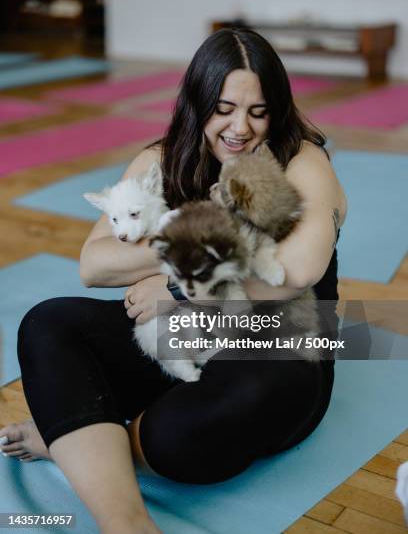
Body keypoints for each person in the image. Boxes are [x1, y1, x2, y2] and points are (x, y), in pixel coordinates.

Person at [0, 28, 347, 534]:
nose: (240, 128)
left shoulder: (305, 162)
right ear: (197, 101)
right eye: (224, 108)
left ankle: (74, 436)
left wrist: (182, 288)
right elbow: (94, 264)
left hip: (278, 343)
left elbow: (297, 271)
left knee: (177, 440)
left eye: (258, 111)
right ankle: (126, 523)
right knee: (50, 322)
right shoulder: (161, 160)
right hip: (184, 336)